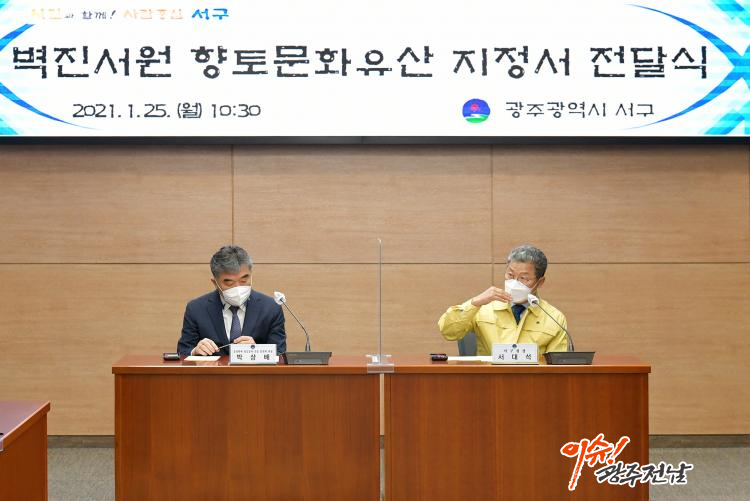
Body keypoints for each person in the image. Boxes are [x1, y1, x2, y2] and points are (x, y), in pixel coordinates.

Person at [438, 244, 568, 356]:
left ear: (540, 282)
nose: (514, 282)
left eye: (524, 278)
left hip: (531, 378)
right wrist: (474, 303)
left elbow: (557, 368)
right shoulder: (484, 307)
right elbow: (448, 331)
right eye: (510, 275)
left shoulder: (554, 318)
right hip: (489, 377)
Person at [177, 245, 286, 356]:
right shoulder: (196, 309)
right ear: (215, 283)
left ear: (251, 276)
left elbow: (280, 353)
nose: (238, 288)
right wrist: (194, 351)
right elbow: (183, 351)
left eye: (244, 280)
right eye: (229, 283)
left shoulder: (271, 308)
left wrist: (257, 351)